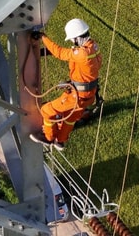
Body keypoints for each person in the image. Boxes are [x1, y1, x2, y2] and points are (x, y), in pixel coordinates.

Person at [29, 18, 102, 151]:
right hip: (88, 95)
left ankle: (49, 137)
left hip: (77, 96)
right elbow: (75, 59)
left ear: (77, 37)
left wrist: (42, 37)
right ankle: (61, 140)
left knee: (47, 110)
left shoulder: (82, 53)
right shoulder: (93, 47)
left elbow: (61, 53)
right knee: (71, 117)